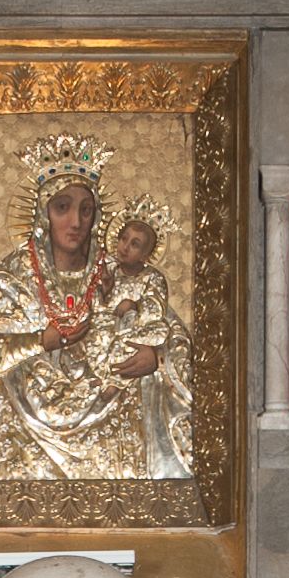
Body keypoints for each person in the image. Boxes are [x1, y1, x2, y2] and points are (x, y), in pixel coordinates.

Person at [0, 136, 172, 486]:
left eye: (86, 210)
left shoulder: (121, 272)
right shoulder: (12, 278)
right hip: (23, 434)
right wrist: (38, 342)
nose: (76, 221)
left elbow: (170, 331)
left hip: (111, 431)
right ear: (43, 214)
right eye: (62, 207)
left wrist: (157, 358)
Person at [78, 197, 193, 481]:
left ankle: (115, 382)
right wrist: (104, 290)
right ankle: (102, 378)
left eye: (135, 244)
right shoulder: (110, 273)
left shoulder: (151, 278)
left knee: (131, 346)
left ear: (146, 255)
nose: (125, 247)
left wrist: (135, 307)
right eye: (123, 239)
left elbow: (156, 309)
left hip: (139, 331)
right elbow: (95, 307)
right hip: (107, 331)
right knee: (102, 343)